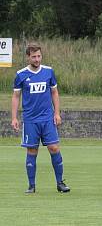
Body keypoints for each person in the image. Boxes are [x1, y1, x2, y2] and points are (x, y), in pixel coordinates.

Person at [11, 43, 70, 194]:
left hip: (47, 118)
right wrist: (14, 117)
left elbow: (55, 93)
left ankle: (60, 183)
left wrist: (57, 113)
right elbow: (16, 96)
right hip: (30, 120)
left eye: (39, 56)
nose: (37, 59)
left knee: (54, 148)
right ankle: (31, 185)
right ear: (28, 57)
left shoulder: (49, 72)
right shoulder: (21, 75)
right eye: (33, 57)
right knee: (32, 151)